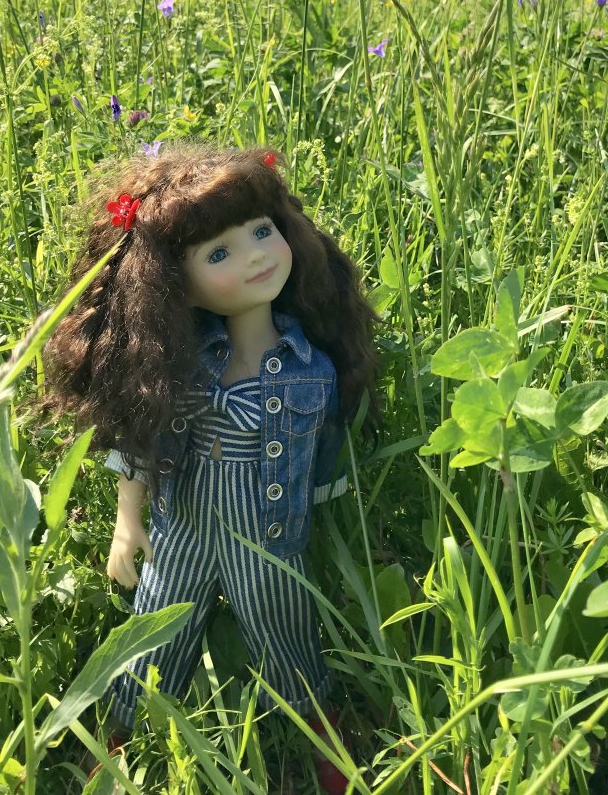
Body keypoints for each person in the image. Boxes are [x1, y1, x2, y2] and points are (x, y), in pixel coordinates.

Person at [43, 143, 379, 793]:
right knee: (154, 633)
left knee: (289, 636)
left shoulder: (312, 369)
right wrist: (127, 520)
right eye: (219, 254)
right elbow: (143, 439)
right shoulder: (178, 367)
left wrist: (335, 526)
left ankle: (325, 744)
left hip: (269, 536)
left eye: (262, 231)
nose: (255, 255)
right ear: (174, 283)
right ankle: (115, 740)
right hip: (184, 526)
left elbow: (325, 460)